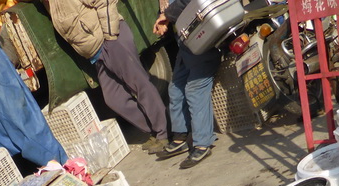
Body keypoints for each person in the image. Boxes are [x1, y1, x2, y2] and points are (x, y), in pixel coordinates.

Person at [44, 0, 169, 153]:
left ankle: (163, 132)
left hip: (110, 40)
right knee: (114, 99)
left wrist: (110, 35)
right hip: (96, 53)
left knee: (139, 84)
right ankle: (154, 128)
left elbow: (105, 2)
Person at [154, 0, 221, 169]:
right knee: (176, 87)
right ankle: (181, 135)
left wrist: (166, 16)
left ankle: (202, 144)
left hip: (204, 36)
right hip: (187, 40)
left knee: (195, 89)